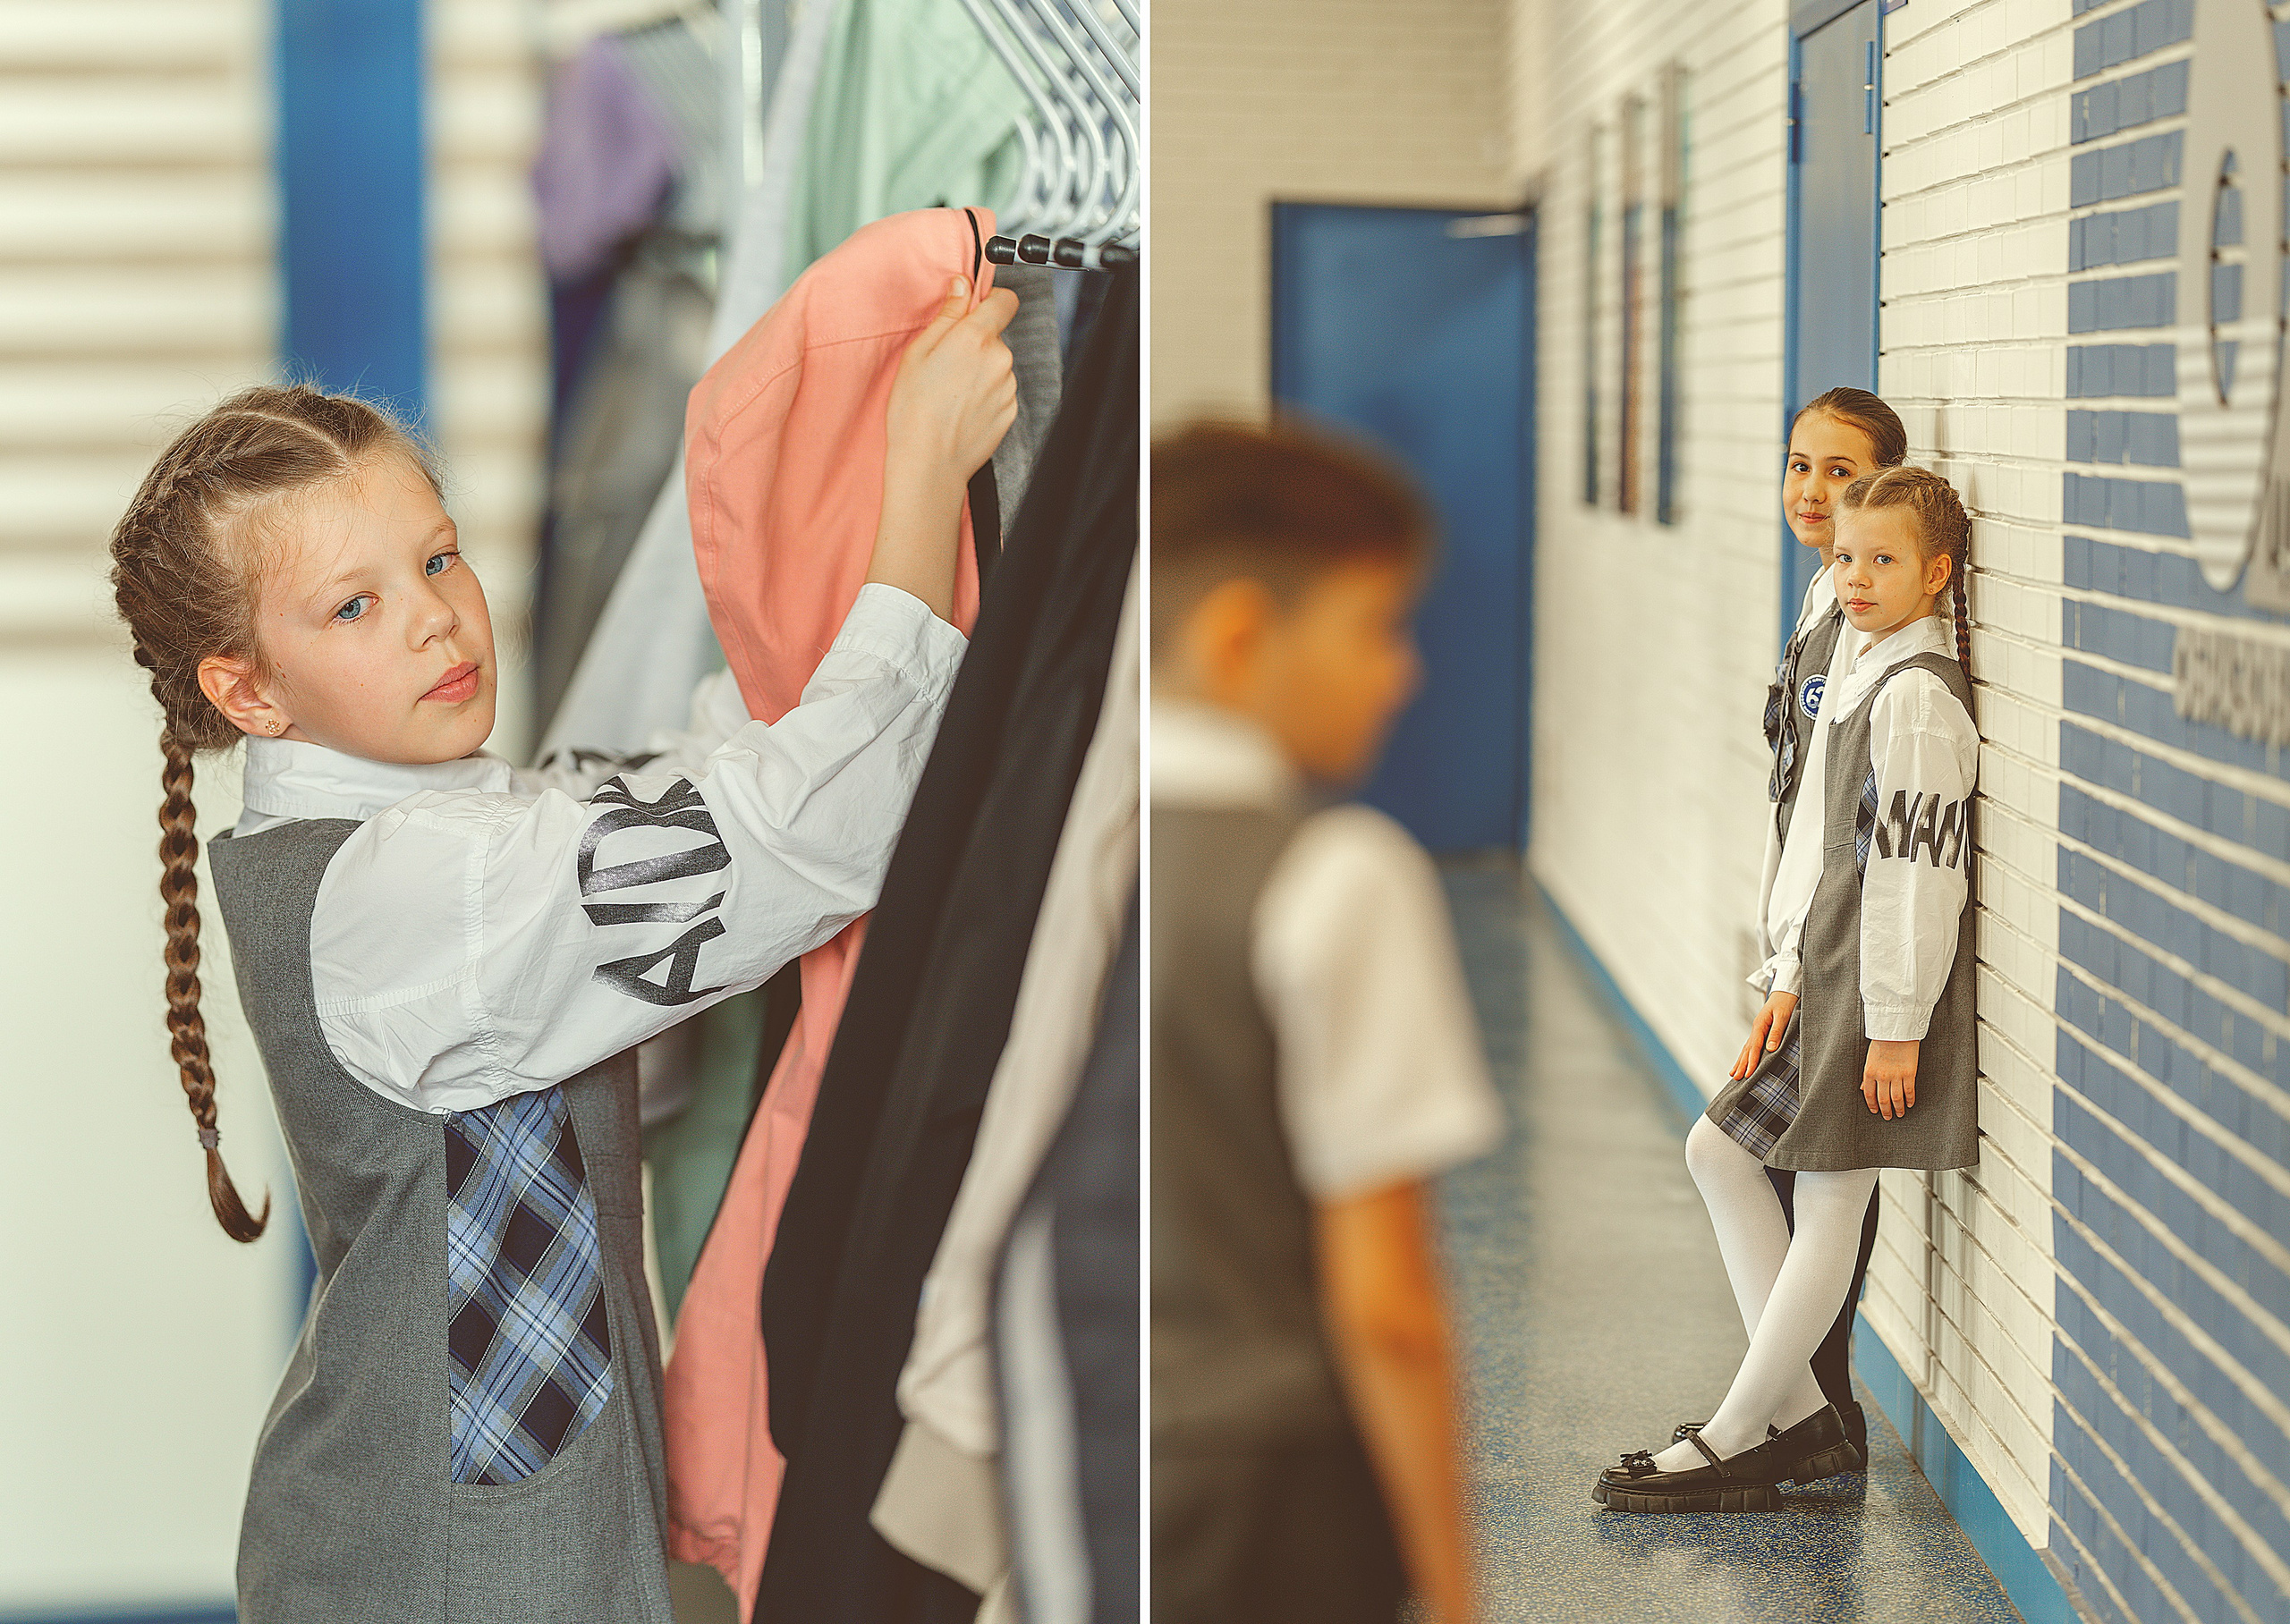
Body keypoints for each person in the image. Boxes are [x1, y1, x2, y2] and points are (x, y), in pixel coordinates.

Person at [105, 275, 1015, 1620]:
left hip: (487, 1534)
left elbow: (688, 780)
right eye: (350, 608)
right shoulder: (410, 893)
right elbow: (797, 838)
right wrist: (922, 482)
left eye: (437, 556)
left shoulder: (456, 823)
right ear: (247, 690)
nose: (431, 614)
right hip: (437, 1567)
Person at [1149, 419, 1503, 1622]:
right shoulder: (1338, 877)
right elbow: (1387, 1306)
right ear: (1241, 634)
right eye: (1376, 628)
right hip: (1272, 1498)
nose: (1401, 672)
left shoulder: (1038, 848)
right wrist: (1455, 1594)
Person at [1599, 463, 1980, 1512]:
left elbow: (1917, 874)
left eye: (1884, 560)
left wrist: (1895, 1027)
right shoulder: (1859, 663)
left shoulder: (1913, 700)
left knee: (1827, 1196)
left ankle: (1741, 1434)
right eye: (1848, 557)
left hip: (1877, 985)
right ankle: (1798, 1413)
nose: (1856, 576)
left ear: (1936, 573)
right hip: (1827, 970)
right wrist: (1785, 969)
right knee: (1723, 1150)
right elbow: (1817, 843)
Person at [1688, 385, 1906, 1468]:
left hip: (1849, 954)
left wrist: (1790, 961)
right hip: (1804, 944)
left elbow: (1848, 818)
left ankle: (1793, 1416)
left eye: (1839, 470)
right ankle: (1800, 1408)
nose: (1812, 490)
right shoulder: (1828, 596)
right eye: (1799, 465)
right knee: (1757, 1164)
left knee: (1788, 1170)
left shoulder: (1883, 633)